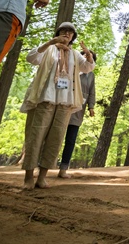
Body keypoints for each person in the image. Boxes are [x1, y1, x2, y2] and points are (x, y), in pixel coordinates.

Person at [20, 22, 95, 189]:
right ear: (58, 33)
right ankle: (28, 177)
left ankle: (43, 176)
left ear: (73, 37)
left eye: (70, 32)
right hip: (45, 97)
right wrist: (50, 42)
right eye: (64, 31)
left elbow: (88, 67)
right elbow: (32, 58)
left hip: (65, 101)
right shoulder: (49, 49)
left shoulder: (75, 54)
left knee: (56, 137)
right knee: (36, 135)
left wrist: (88, 54)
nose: (67, 34)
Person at [58, 50, 97, 178]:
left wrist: (91, 107)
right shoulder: (70, 68)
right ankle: (43, 165)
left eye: (89, 57)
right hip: (63, 105)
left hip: (78, 110)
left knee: (71, 139)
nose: (85, 58)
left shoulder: (91, 75)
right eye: (84, 55)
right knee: (55, 136)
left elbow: (92, 92)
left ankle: (63, 169)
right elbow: (61, 83)